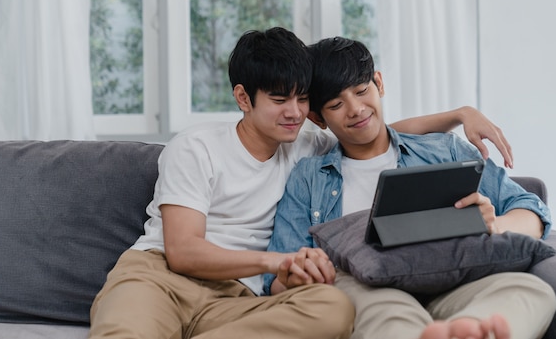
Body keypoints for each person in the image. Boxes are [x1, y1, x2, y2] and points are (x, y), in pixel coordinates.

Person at [89, 27, 517, 339]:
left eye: (302, 98)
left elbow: (373, 130)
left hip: (238, 301)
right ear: (243, 98)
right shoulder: (196, 147)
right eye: (279, 100)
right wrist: (275, 262)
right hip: (160, 278)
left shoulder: (304, 145)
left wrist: (460, 115)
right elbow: (182, 252)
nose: (293, 112)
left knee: (333, 307)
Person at [264, 36, 556, 339]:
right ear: (317, 118)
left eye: (362, 91)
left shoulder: (445, 151)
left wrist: (494, 224)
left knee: (530, 290)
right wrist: (297, 273)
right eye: (336, 104)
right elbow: (276, 279)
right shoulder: (309, 177)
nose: (356, 109)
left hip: (455, 281)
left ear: (379, 83)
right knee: (382, 309)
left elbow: (533, 210)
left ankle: (472, 329)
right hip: (370, 288)